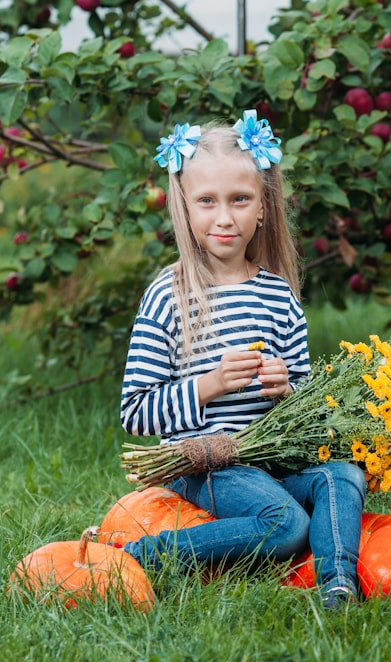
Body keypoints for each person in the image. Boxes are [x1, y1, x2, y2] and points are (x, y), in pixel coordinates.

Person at [118, 112, 365, 610]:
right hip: (208, 462)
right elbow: (135, 410)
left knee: (344, 475)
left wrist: (288, 390)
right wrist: (208, 385)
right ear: (183, 208)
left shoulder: (278, 296)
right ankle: (145, 553)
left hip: (269, 457)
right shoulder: (170, 295)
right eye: (207, 201)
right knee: (286, 523)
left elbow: (308, 404)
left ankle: (338, 583)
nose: (224, 217)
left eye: (240, 200)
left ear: (263, 209)